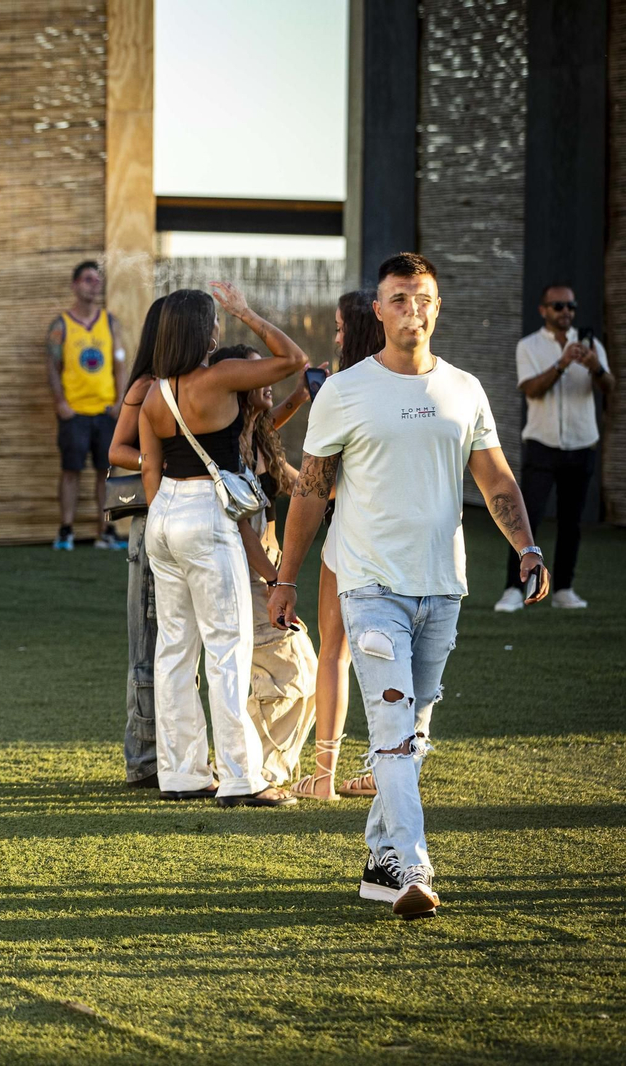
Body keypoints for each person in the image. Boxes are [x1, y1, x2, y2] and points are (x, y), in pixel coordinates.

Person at [269, 253, 549, 920]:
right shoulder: (345, 390)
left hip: (442, 589)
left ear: (436, 307)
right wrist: (286, 578)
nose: (411, 311)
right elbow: (311, 490)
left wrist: (528, 548)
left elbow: (496, 479)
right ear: (379, 311)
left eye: (421, 299)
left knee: (412, 737)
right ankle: (414, 867)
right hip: (369, 588)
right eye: (398, 299)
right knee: (393, 729)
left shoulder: (464, 390)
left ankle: (377, 864)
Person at [137, 283, 307, 807]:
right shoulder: (221, 377)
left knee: (173, 651)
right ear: (202, 331)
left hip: (162, 514)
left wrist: (164, 517)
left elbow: (149, 467)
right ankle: (242, 778)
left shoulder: (153, 392)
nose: (220, 328)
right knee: (226, 649)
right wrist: (248, 312)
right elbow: (293, 359)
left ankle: (182, 773)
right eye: (215, 321)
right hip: (206, 517)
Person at [291, 290, 388, 802]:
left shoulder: (340, 392)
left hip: (349, 541)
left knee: (336, 653)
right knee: (402, 660)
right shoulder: (413, 387)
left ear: (356, 330)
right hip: (403, 542)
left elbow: (320, 486)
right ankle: (385, 769)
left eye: (337, 328)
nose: (333, 337)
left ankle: (325, 776)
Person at [210, 344, 320, 786]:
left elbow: (304, 487)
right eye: (258, 373)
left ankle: (263, 766)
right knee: (286, 671)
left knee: (300, 669)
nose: (267, 380)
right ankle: (254, 768)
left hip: (266, 573)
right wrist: (277, 581)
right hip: (247, 575)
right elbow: (241, 529)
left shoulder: (257, 438)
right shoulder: (223, 447)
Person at [493, 284, 614, 612]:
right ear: (543, 310)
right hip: (542, 444)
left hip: (581, 442)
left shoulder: (590, 345)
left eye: (570, 306)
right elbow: (531, 389)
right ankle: (513, 590)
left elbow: (609, 386)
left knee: (571, 521)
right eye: (558, 306)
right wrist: (561, 364)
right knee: (526, 518)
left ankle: (563, 589)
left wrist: (595, 366)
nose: (566, 312)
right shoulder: (529, 346)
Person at [107, 296, 166, 788]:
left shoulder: (188, 383)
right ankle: (145, 760)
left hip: (177, 523)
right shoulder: (148, 386)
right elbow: (117, 450)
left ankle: (171, 754)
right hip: (150, 522)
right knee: (148, 643)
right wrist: (163, 470)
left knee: (176, 644)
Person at [48, 260, 127, 549]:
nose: (94, 285)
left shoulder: (110, 323)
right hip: (75, 413)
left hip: (106, 411)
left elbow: (120, 365)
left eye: (97, 280)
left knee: (106, 473)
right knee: (70, 471)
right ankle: (66, 530)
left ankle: (105, 531)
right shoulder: (61, 325)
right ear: (74, 285)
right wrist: (61, 403)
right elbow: (52, 366)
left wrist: (121, 401)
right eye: (87, 280)